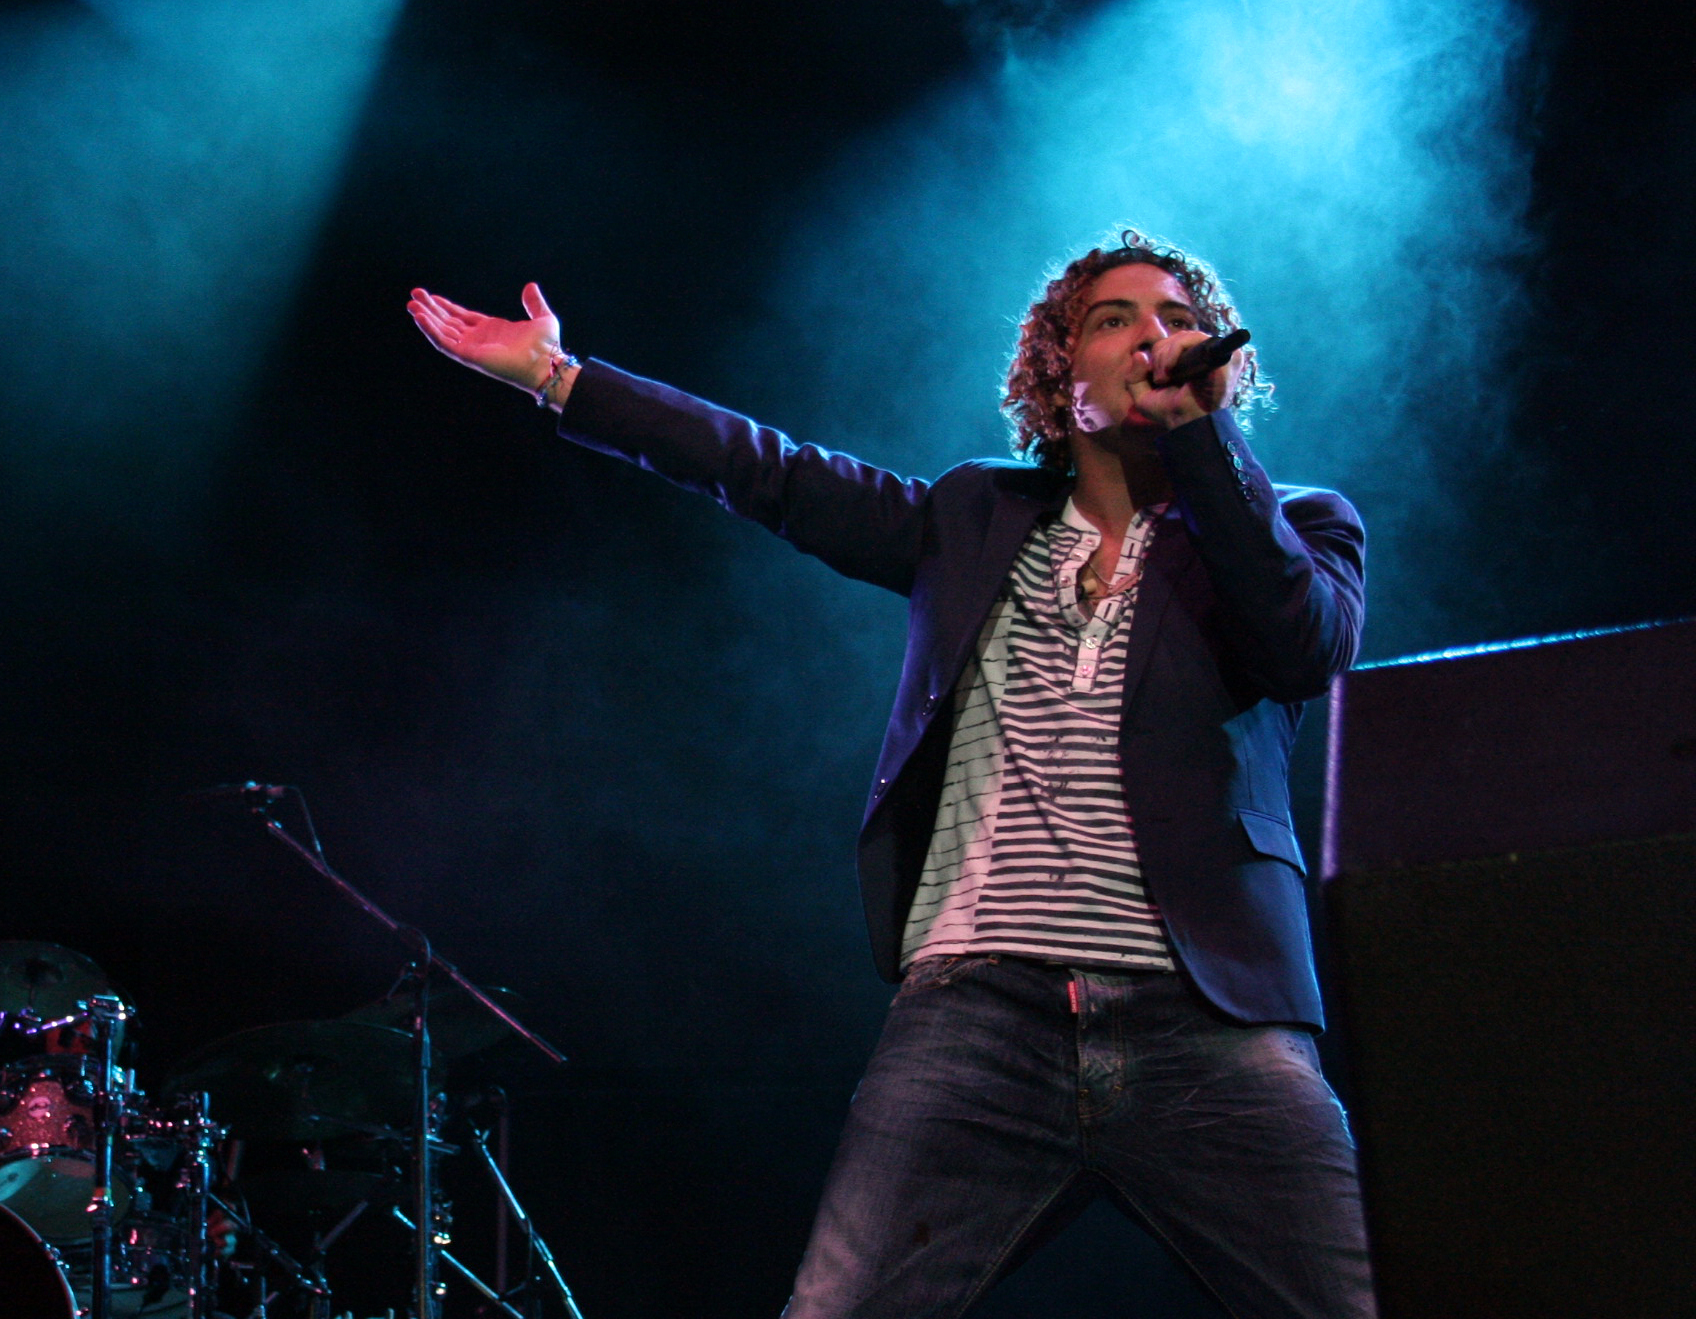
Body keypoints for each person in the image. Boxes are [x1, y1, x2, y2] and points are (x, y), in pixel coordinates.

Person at [406, 231, 1374, 1319]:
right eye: (1118, 319)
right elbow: (771, 471)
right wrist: (559, 376)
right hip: (981, 1009)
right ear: (1062, 374)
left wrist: (1205, 444)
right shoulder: (972, 517)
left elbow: (1301, 648)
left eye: (1181, 321)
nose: (1157, 336)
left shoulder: (1298, 524)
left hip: (1211, 1012)